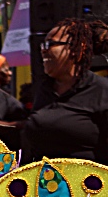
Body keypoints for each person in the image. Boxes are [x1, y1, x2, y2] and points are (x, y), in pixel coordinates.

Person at [22, 19, 108, 164]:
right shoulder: (44, 90)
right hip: (43, 182)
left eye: (51, 44)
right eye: (43, 44)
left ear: (77, 49)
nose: (43, 49)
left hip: (86, 183)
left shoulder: (102, 91)